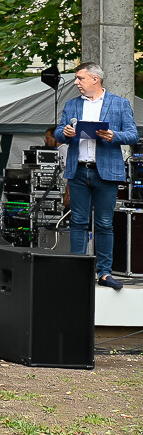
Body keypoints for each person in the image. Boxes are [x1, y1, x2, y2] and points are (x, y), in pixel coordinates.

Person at [59, 62, 139, 291]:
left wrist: (114, 136)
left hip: (106, 172)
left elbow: (133, 135)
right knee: (78, 222)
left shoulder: (119, 103)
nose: (76, 82)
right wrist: (64, 132)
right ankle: (77, 271)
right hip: (78, 170)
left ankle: (104, 273)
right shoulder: (72, 104)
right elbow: (58, 132)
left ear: (95, 79)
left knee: (104, 223)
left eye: (80, 78)